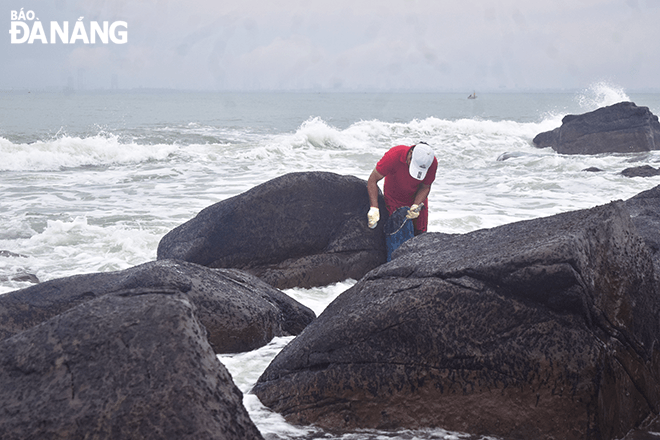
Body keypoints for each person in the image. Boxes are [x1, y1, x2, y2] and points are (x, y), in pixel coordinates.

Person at [366, 142, 438, 235]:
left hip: (417, 200)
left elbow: (425, 186)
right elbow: (372, 180)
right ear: (411, 153)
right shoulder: (393, 156)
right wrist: (374, 207)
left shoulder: (431, 162)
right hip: (394, 199)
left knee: (419, 235)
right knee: (395, 233)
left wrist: (416, 205)